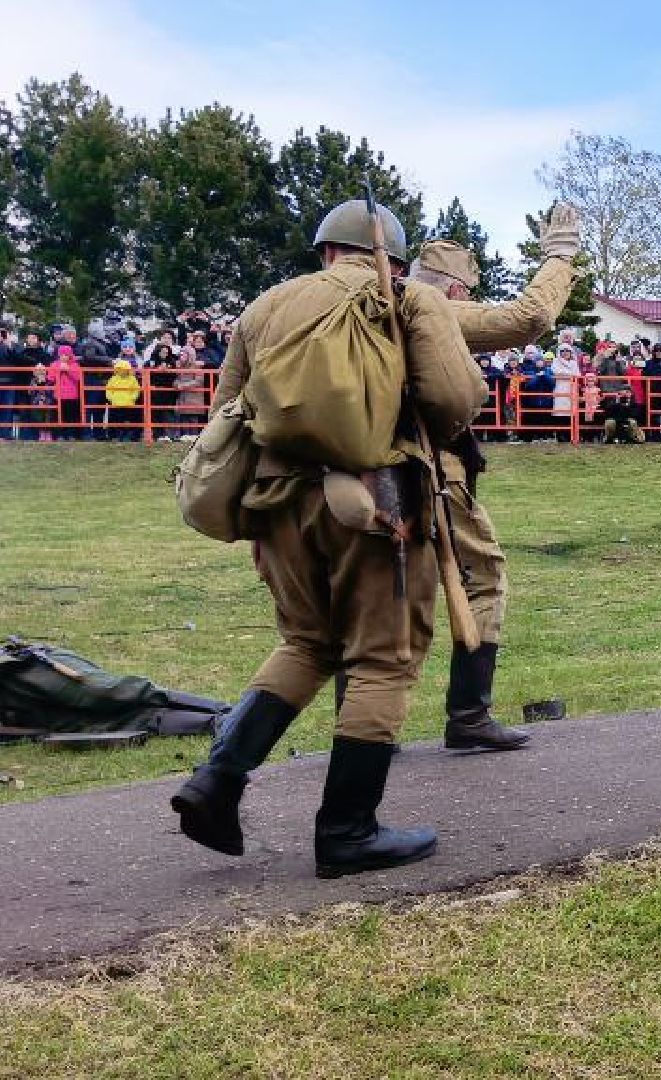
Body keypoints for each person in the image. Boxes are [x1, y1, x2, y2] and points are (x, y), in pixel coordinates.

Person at [170, 199, 487, 878]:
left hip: (278, 500)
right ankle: (347, 830)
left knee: (306, 644)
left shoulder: (264, 308)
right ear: (396, 260)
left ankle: (217, 779)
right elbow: (456, 400)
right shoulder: (407, 301)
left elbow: (231, 406)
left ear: (324, 252)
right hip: (378, 507)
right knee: (384, 660)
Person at [404, 206, 582, 751]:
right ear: (455, 291)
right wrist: (560, 257)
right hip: (427, 470)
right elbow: (528, 317)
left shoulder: (365, 310)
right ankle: (469, 714)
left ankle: (365, 726)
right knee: (483, 577)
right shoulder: (430, 309)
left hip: (360, 471)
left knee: (384, 594)